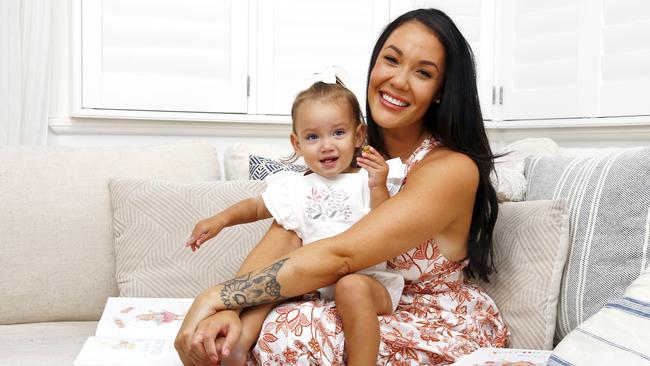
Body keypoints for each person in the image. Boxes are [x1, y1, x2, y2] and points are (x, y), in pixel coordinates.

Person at [175, 8, 509, 366]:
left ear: (441, 91)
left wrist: (217, 296)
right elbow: (290, 231)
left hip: (421, 319)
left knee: (289, 331)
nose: (398, 80)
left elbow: (342, 255)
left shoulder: (450, 169)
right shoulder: (345, 150)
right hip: (344, 302)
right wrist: (234, 311)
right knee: (252, 332)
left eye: (423, 72)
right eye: (391, 60)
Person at [184, 75, 407, 365]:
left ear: (358, 135)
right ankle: (237, 348)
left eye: (338, 133)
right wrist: (220, 219)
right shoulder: (295, 187)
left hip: (370, 283)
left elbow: (385, 225)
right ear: (297, 143)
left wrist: (379, 185)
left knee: (351, 287)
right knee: (271, 283)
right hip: (315, 282)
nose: (326, 145)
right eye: (313, 137)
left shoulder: (368, 179)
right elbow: (255, 207)